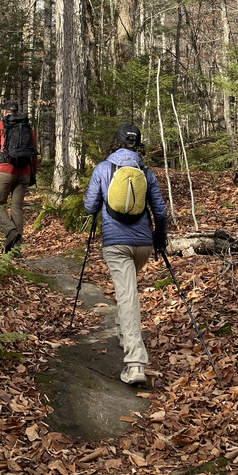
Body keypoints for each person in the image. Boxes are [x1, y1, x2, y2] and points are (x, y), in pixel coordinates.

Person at [83, 123, 168, 386]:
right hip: (143, 243)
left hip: (116, 243)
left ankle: (135, 364)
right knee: (127, 291)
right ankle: (124, 334)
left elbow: (89, 207)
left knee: (127, 295)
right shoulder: (145, 171)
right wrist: (159, 239)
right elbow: (161, 212)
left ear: (115, 141)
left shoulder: (103, 168)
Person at [0, 100, 38, 253]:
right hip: (25, 173)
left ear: (4, 112)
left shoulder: (0, 125)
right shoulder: (27, 126)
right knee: (17, 208)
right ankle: (16, 249)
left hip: (6, 171)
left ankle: (11, 232)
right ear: (16, 111)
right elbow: (34, 152)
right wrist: (33, 173)